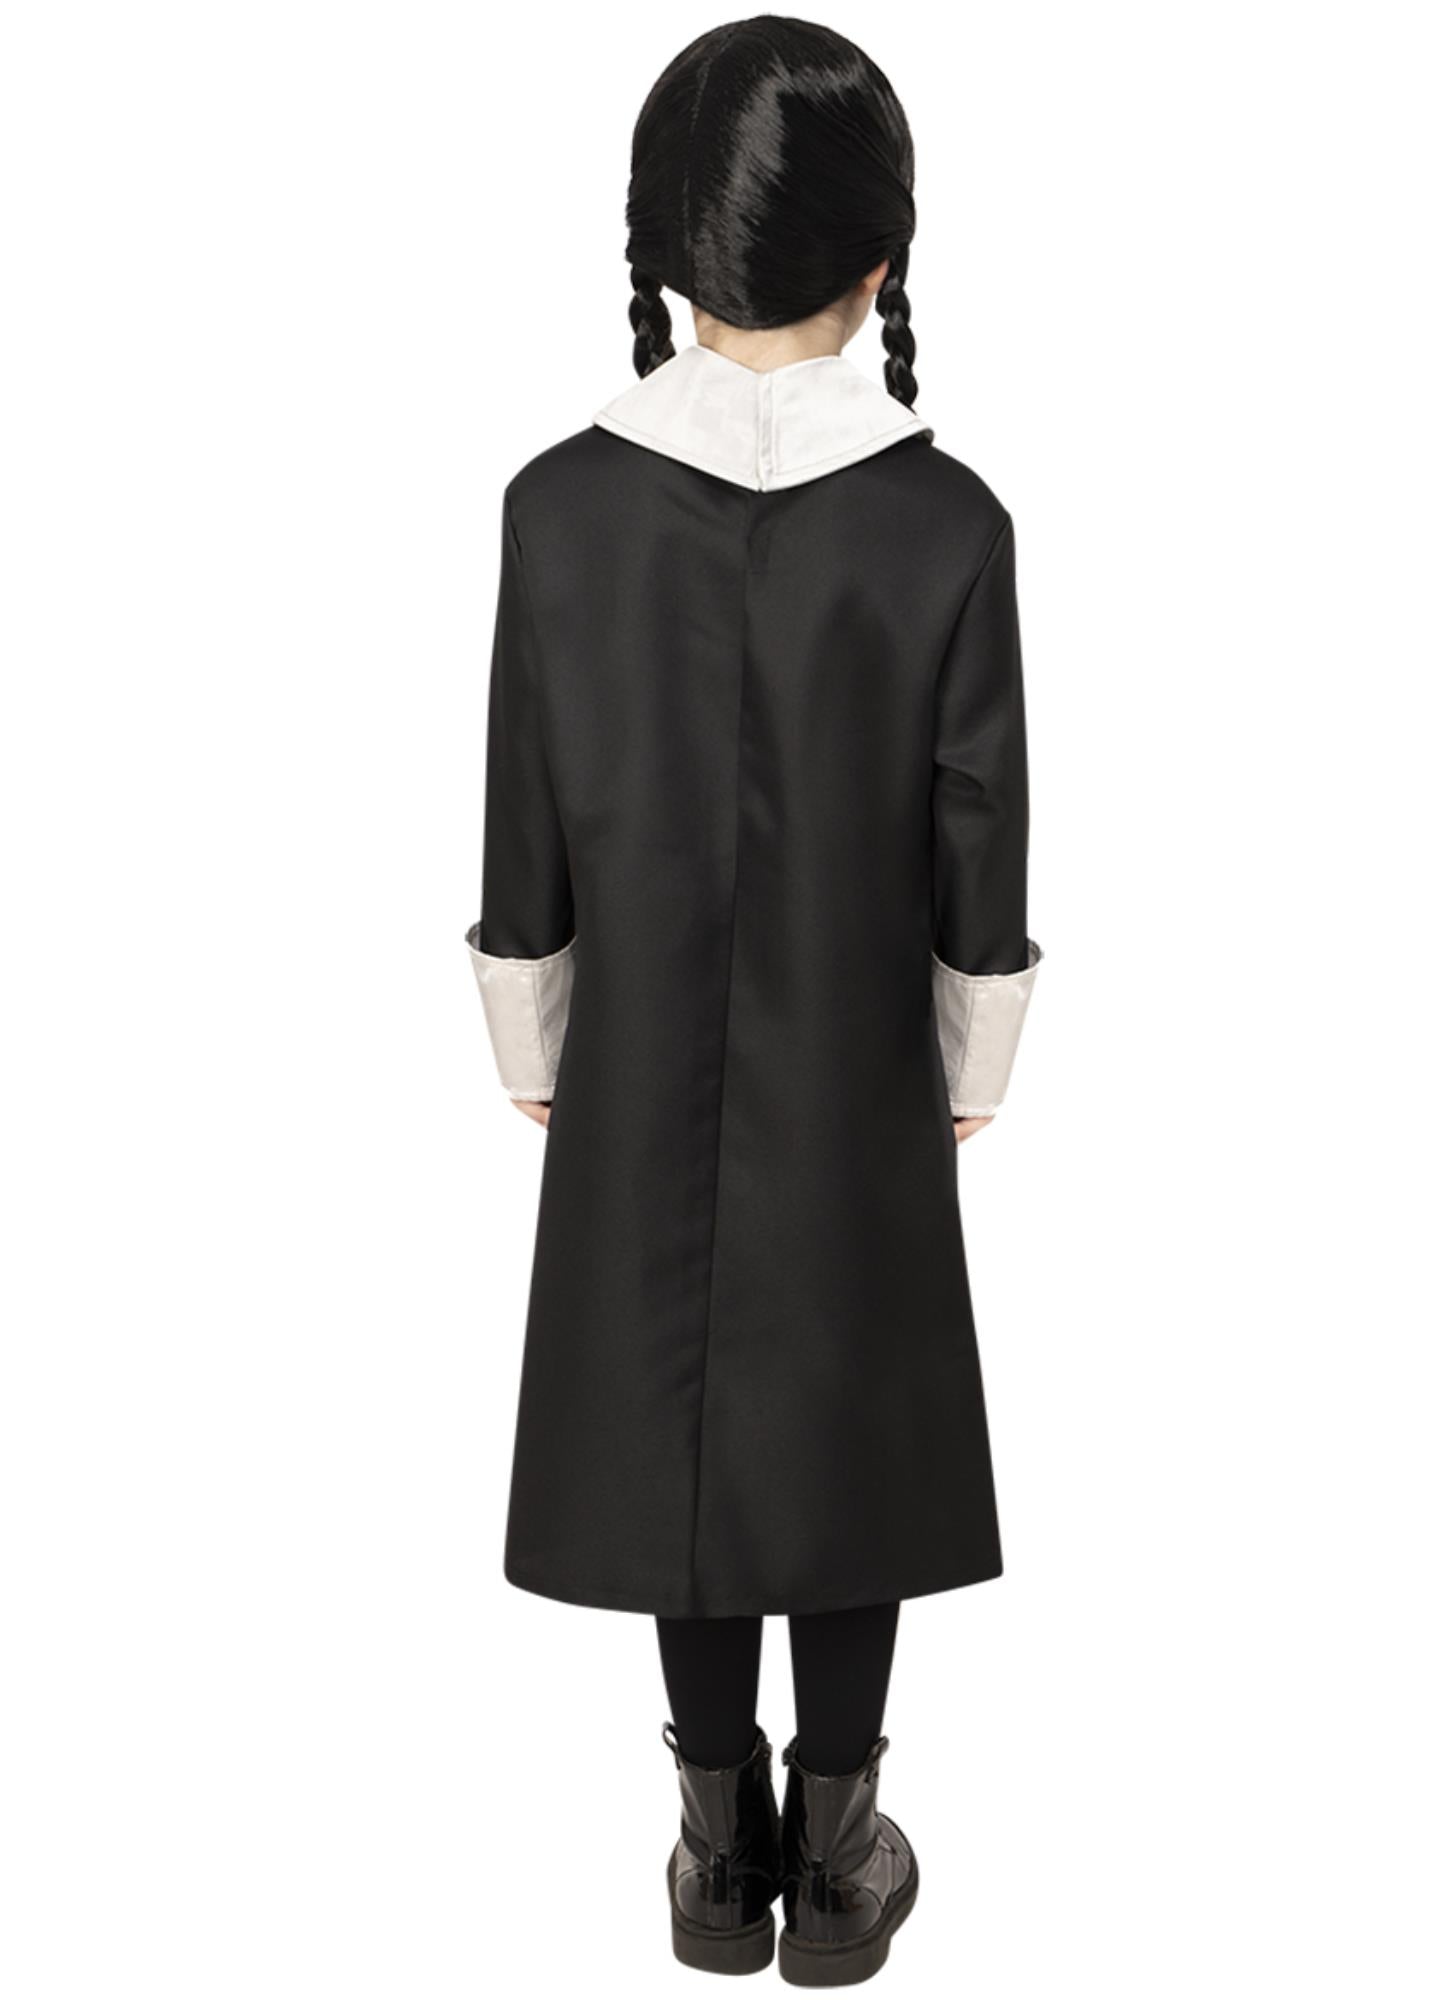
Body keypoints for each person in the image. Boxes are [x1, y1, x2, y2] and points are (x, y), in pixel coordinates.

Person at [465, 16, 1042, 1985]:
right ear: (885, 259)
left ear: (662, 250)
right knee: (847, 1413)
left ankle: (717, 1853)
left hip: (633, 1052)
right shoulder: (947, 523)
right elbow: (982, 817)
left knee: (675, 1414)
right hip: (862, 1059)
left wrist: (532, 1025)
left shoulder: (559, 508)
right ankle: (842, 1846)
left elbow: (523, 789)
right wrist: (973, 1046)